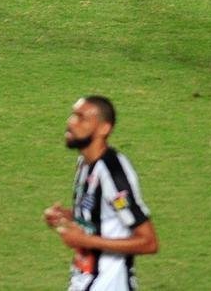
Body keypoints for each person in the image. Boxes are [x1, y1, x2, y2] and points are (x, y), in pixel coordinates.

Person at [44, 96, 158, 290]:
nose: (71, 122)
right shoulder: (85, 163)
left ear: (104, 128)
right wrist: (67, 217)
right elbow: (103, 217)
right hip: (84, 279)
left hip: (110, 284)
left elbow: (148, 242)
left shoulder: (113, 173)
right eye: (73, 115)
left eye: (81, 118)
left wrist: (85, 240)